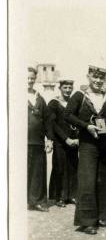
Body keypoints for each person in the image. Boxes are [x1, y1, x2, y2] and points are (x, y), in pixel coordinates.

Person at [65, 65, 106, 235]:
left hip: (105, 144)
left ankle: (103, 216)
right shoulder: (80, 96)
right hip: (87, 144)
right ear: (88, 77)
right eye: (95, 77)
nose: (98, 81)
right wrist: (86, 126)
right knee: (87, 181)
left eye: (101, 78)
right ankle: (87, 222)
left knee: (105, 180)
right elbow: (68, 114)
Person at [47, 79, 79, 207]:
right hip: (60, 141)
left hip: (73, 141)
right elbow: (52, 124)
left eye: (70, 88)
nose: (67, 90)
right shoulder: (53, 103)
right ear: (60, 88)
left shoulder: (73, 103)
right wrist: (66, 138)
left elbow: (77, 121)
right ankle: (59, 197)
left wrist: (77, 138)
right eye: (65, 87)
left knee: (72, 166)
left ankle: (72, 195)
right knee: (60, 167)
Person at [28, 66, 53, 212]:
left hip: (37, 141)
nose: (29, 81)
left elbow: (48, 120)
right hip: (18, 142)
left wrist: (49, 139)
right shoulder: (12, 94)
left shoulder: (40, 98)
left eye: (32, 78)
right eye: (27, 78)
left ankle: (36, 201)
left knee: (37, 172)